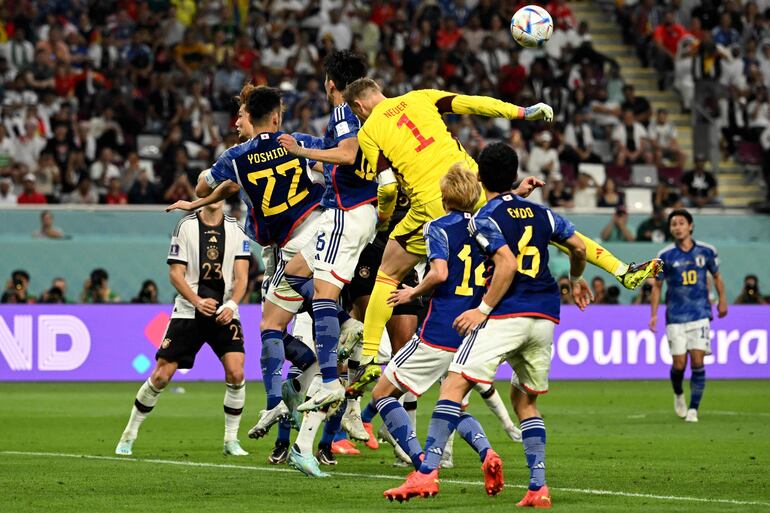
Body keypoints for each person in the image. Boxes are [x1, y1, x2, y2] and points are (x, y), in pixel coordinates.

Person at [343, 78, 660, 380]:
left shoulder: (369, 130)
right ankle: (621, 269)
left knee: (387, 271)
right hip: (474, 183)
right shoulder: (419, 97)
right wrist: (523, 112)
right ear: (379, 91)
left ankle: (369, 359)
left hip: (435, 198)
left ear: (359, 106)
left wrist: (384, 218)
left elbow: (385, 188)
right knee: (543, 227)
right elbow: (475, 104)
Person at [383, 142, 592, 506]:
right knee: (524, 402)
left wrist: (483, 308)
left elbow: (506, 263)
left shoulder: (484, 218)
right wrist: (575, 280)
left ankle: (426, 472)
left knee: (453, 386)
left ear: (479, 176)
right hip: (545, 317)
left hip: (507, 313)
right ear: (513, 175)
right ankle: (537, 487)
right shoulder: (543, 214)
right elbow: (578, 248)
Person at [165, 85, 332, 477]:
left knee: (273, 326)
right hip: (317, 232)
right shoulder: (300, 141)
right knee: (288, 323)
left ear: (249, 117)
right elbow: (331, 163)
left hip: (292, 244)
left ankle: (287, 397)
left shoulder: (235, 158)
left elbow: (204, 187)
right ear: (276, 116)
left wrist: (208, 187)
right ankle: (307, 389)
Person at [367, 165, 522, 474]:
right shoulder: (488, 227)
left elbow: (439, 273)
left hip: (438, 331)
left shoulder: (437, 226)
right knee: (452, 402)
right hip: (473, 332)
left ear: (444, 196)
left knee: (382, 394)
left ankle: (419, 461)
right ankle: (486, 452)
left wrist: (412, 293)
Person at [115, 198, 251, 456]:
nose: (216, 193)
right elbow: (176, 273)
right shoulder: (186, 226)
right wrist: (197, 301)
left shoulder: (236, 228)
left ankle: (231, 440)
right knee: (161, 376)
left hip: (224, 312)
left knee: (236, 372)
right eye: (210, 188)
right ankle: (128, 435)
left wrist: (232, 304)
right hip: (189, 312)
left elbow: (242, 276)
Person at [650, 209, 728, 423]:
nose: (677, 227)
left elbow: (717, 276)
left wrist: (722, 300)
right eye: (673, 224)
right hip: (675, 316)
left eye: (681, 223)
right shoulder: (665, 255)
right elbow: (657, 287)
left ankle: (693, 409)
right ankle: (678, 394)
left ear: (690, 226)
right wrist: (654, 315)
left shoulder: (707, 251)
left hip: (700, 313)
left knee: (697, 361)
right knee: (678, 365)